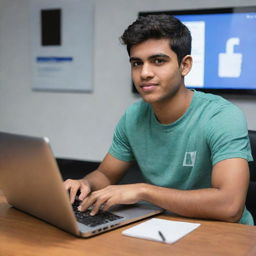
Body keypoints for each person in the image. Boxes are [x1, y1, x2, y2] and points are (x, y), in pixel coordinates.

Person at [64, 14, 254, 225]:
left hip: (226, 236)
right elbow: (106, 175)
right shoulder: (133, 117)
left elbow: (230, 206)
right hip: (164, 228)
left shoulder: (221, 116)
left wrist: (144, 191)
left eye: (158, 61)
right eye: (137, 63)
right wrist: (85, 183)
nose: (144, 73)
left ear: (185, 65)